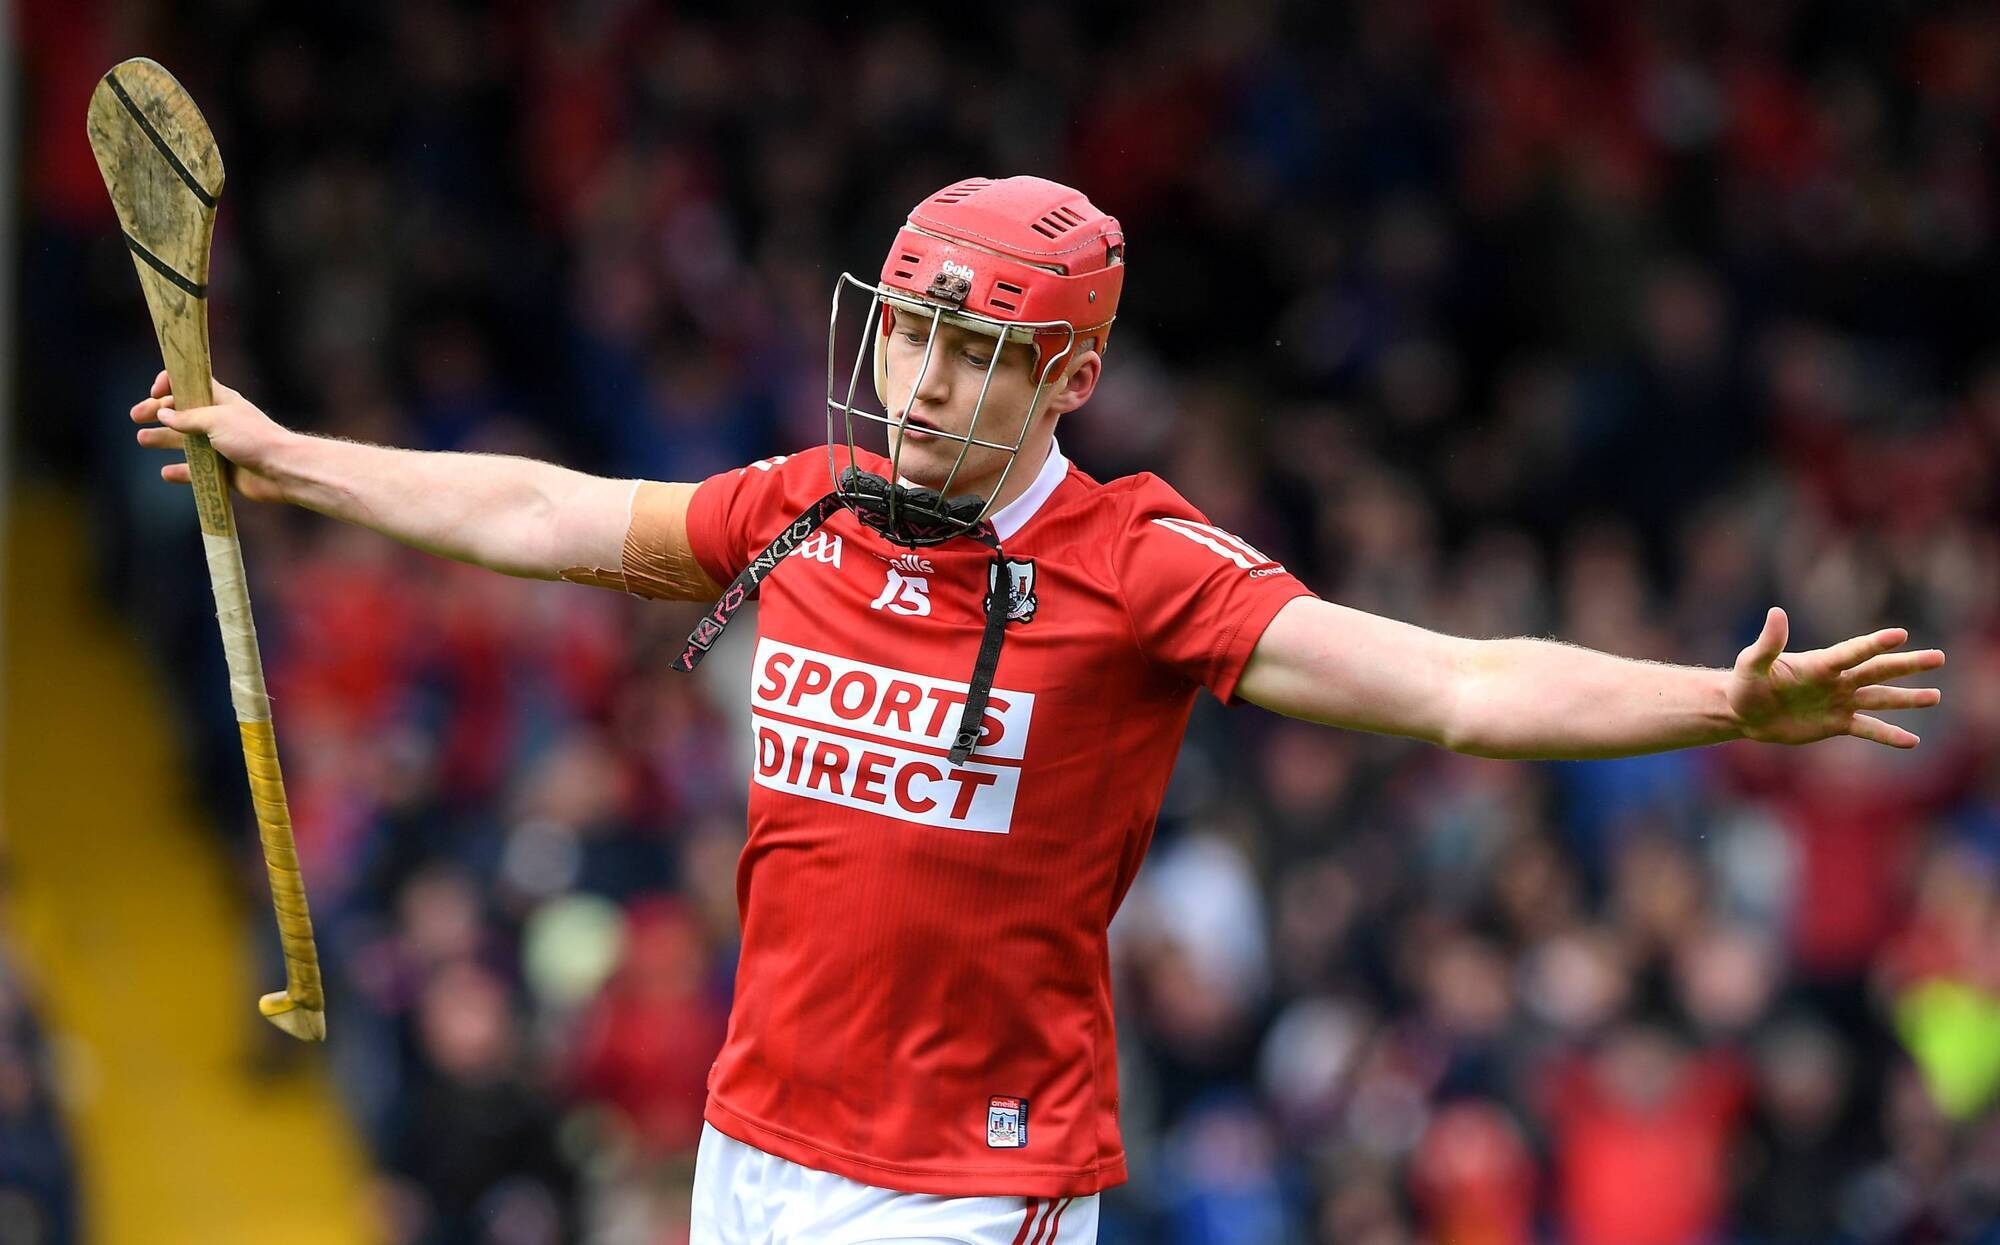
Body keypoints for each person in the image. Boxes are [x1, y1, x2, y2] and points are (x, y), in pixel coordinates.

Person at [131, 175, 1945, 1245]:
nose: (920, 380)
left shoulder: (1138, 564)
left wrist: (1717, 704)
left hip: (964, 1182)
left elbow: (1457, 686)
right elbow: (546, 513)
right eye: (908, 329)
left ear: (1067, 375)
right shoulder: (805, 508)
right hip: (751, 1142)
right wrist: (292, 459)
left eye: (977, 351)